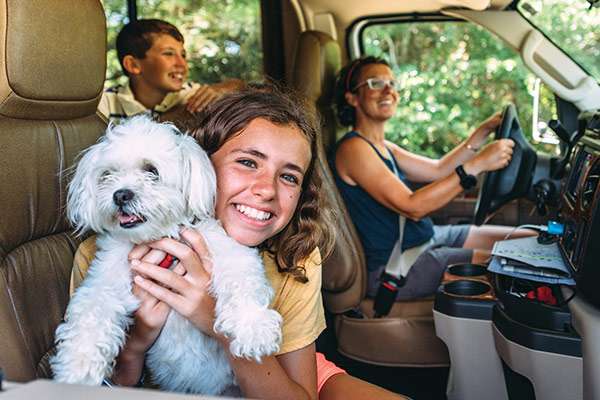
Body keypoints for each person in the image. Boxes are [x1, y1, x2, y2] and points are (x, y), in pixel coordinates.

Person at [71, 85, 410, 399]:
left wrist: (215, 321)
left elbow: (297, 390)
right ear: (203, 165)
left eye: (289, 176)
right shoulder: (107, 251)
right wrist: (135, 343)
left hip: (280, 369)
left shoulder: (297, 257)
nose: (266, 189)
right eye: (248, 163)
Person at [331, 56, 533, 301]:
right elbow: (412, 206)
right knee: (512, 261)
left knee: (527, 239)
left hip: (425, 238)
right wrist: (477, 164)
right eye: (375, 83)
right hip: (398, 264)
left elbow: (438, 169)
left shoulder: (382, 146)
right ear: (352, 97)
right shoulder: (353, 149)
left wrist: (480, 134)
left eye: (392, 83)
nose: (388, 90)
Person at [98, 18, 244, 124]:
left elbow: (242, 88)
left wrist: (222, 89)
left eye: (183, 55)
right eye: (168, 54)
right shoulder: (106, 104)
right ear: (133, 65)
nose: (182, 64)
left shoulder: (191, 96)